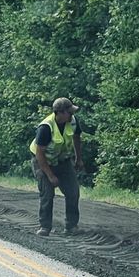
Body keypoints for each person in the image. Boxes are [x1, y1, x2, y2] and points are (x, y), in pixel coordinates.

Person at [30, 97, 84, 236]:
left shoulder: (72, 121)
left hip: (63, 160)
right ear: (60, 112)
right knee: (47, 194)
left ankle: (71, 226)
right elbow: (39, 155)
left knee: (73, 192)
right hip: (43, 162)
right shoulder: (45, 128)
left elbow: (77, 138)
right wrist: (50, 176)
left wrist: (78, 159)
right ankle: (45, 227)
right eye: (69, 112)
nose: (72, 115)